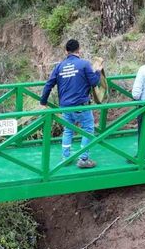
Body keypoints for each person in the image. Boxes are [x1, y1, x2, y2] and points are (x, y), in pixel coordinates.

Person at [40, 39, 102, 169]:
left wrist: (43, 102)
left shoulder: (59, 67)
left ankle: (66, 157)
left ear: (66, 51)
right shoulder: (84, 64)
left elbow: (48, 85)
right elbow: (94, 82)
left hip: (65, 107)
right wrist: (98, 71)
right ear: (79, 50)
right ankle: (83, 158)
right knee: (88, 129)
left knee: (68, 130)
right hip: (81, 105)